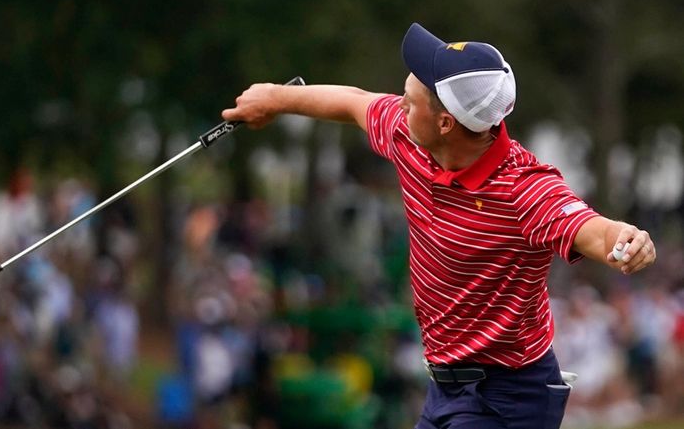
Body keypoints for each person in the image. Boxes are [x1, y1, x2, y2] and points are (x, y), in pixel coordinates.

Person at [221, 22, 656, 429]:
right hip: (444, 385)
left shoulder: (524, 190)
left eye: (410, 100)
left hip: (508, 396)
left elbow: (593, 229)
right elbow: (353, 102)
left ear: (446, 122)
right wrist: (275, 98)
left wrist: (628, 241)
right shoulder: (410, 137)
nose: (399, 104)